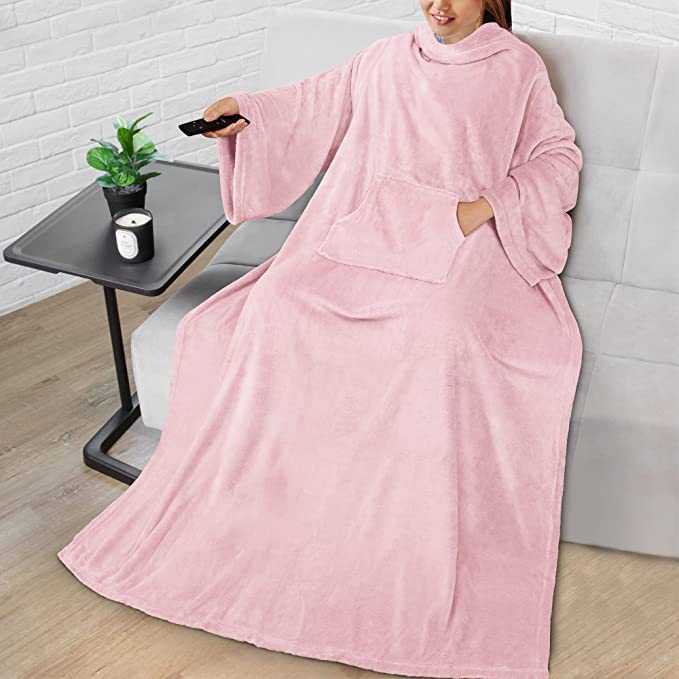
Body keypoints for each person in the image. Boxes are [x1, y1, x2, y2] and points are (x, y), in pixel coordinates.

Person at [58, 2, 584, 678]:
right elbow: (312, 104)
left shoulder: (516, 69)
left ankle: (395, 538)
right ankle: (280, 514)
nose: (438, 7)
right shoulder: (387, 59)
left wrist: (482, 207)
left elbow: (556, 156)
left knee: (437, 328)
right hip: (370, 226)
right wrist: (245, 113)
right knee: (278, 302)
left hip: (464, 239)